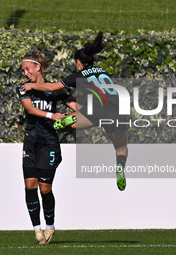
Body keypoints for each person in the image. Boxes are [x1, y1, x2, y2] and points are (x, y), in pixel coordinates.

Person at [20, 32, 128, 191]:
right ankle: (120, 167)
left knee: (58, 126)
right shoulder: (102, 71)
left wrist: (32, 86)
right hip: (117, 109)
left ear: (79, 62)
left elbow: (51, 87)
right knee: (121, 147)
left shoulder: (78, 75)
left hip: (95, 110)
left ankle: (67, 120)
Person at [17, 51, 76, 245]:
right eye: (23, 70)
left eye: (27, 69)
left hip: (49, 144)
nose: (25, 73)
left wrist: (71, 117)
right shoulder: (24, 89)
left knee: (45, 188)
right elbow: (30, 109)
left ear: (38, 67)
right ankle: (37, 229)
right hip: (31, 144)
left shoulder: (54, 88)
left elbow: (77, 108)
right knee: (29, 185)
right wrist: (53, 116)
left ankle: (50, 227)